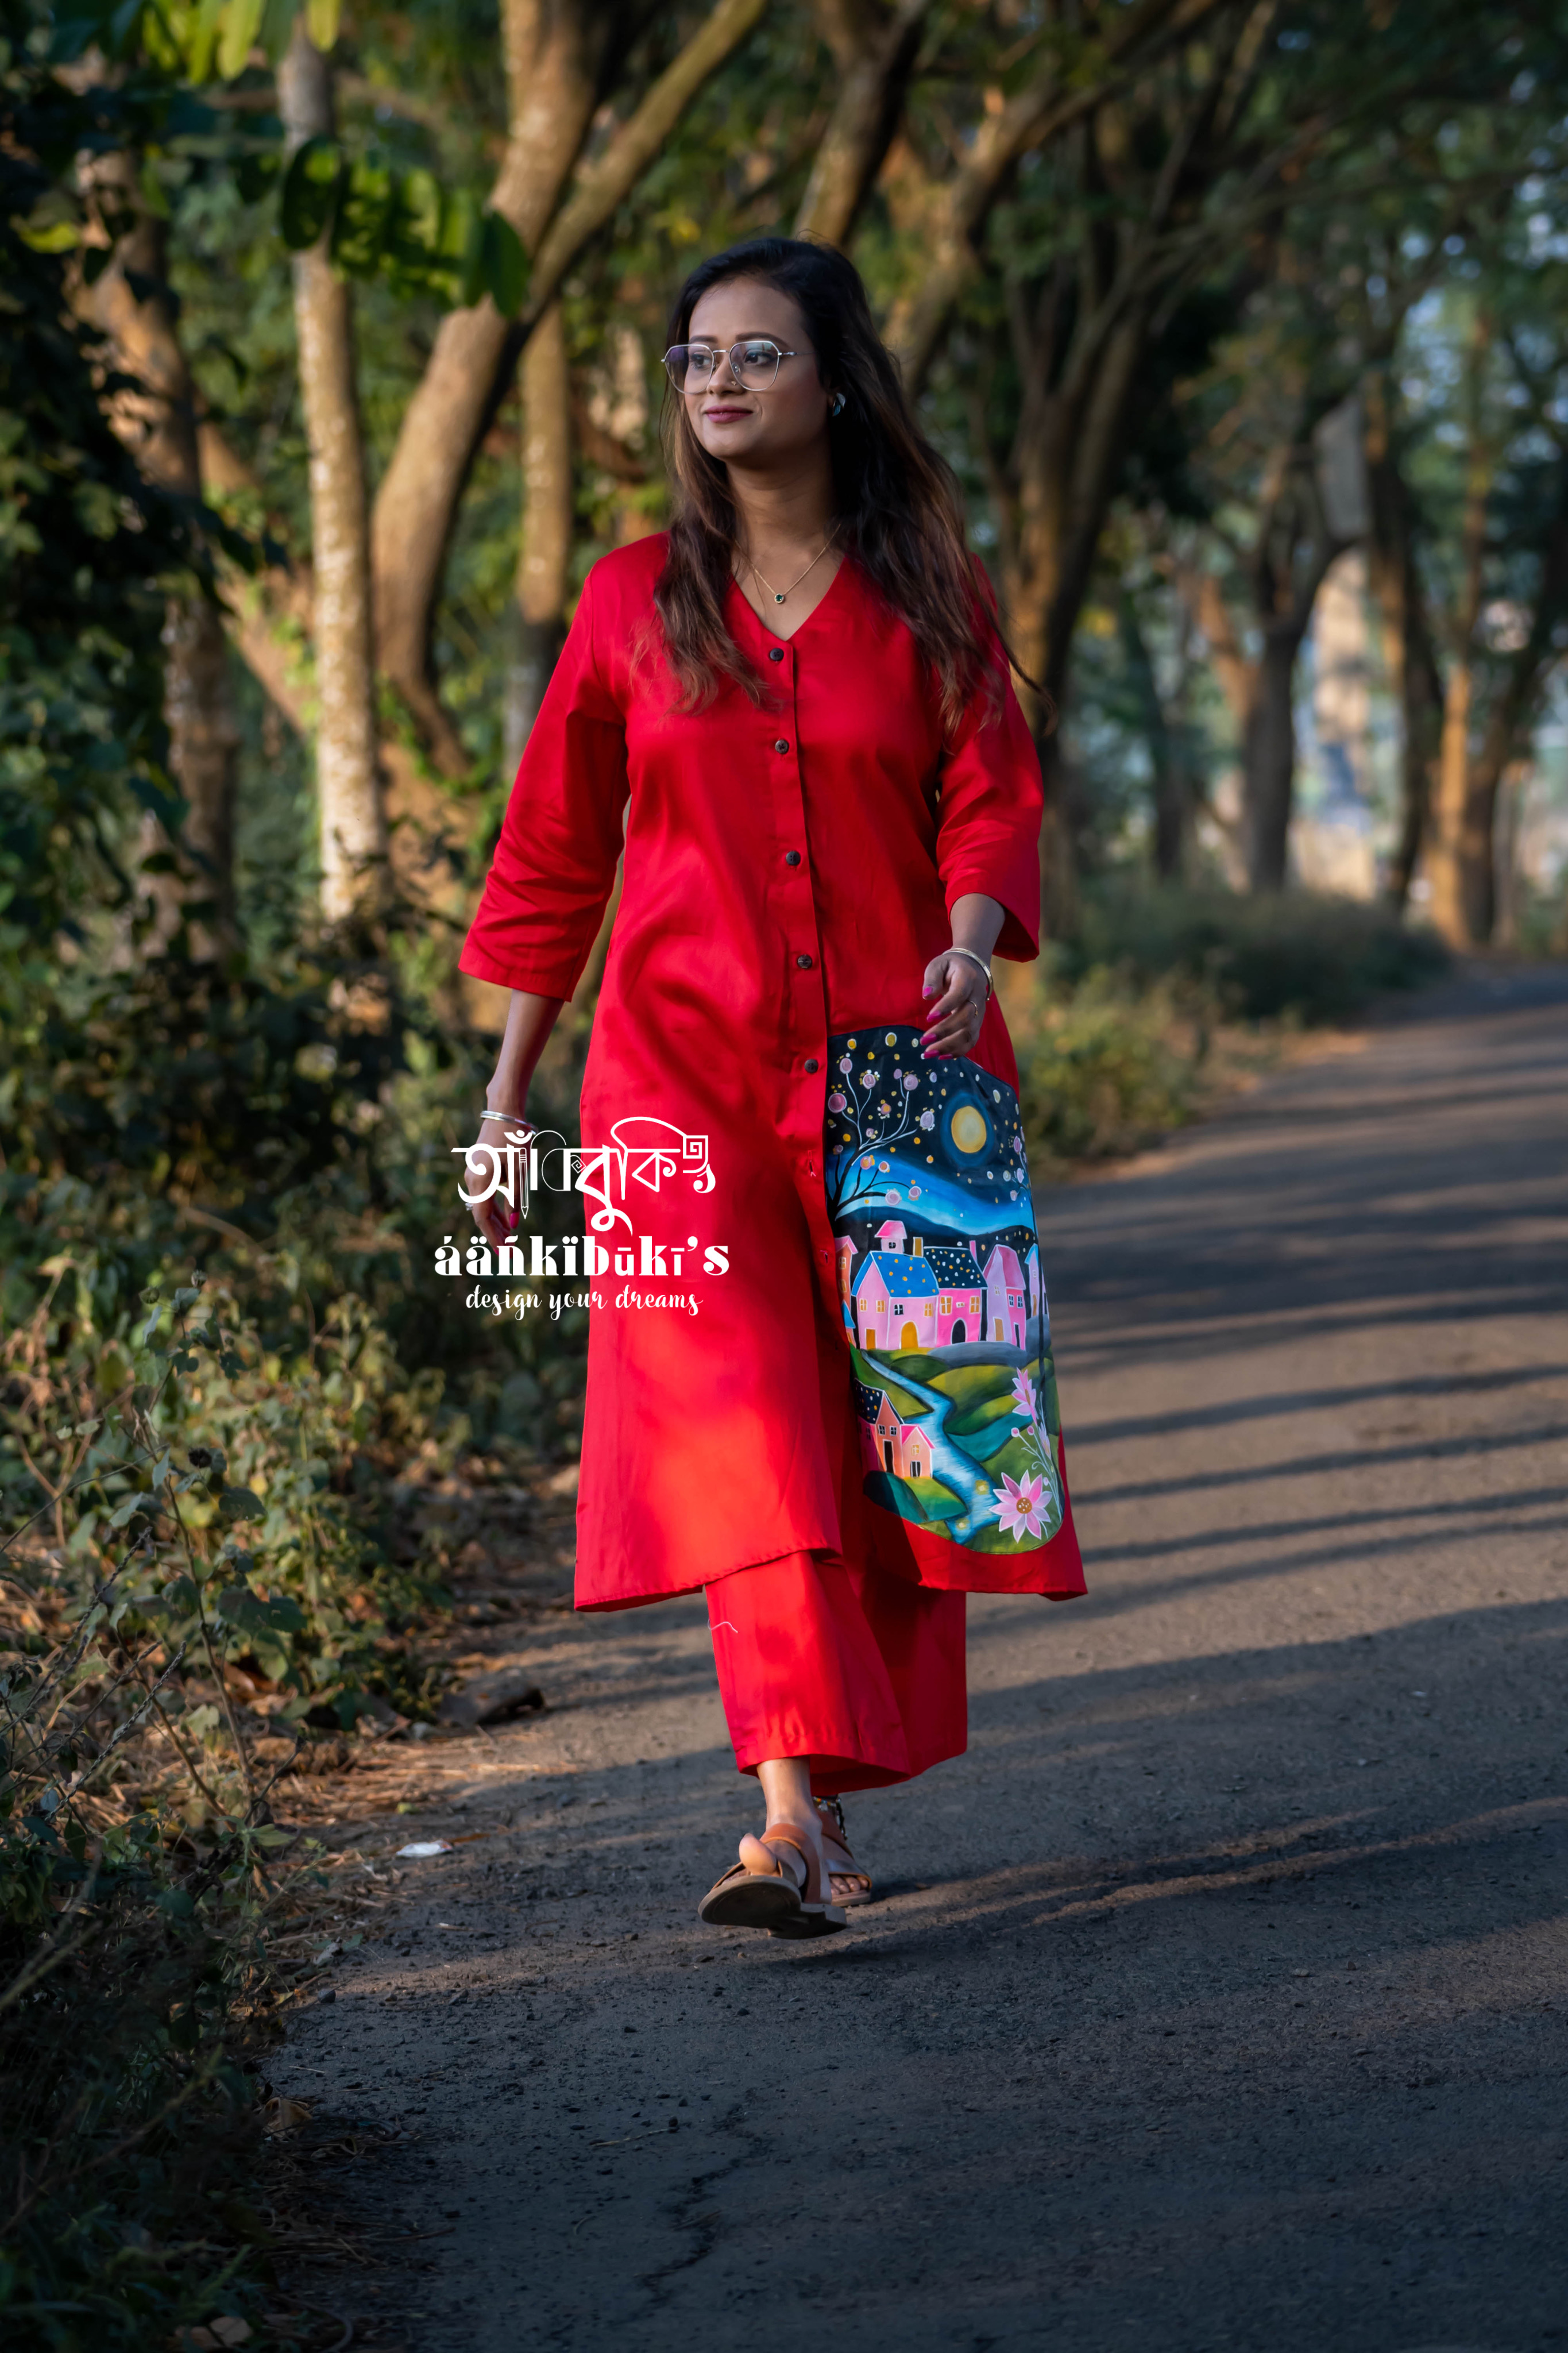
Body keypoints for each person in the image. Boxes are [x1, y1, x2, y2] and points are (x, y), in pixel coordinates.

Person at [459, 236, 1084, 1941]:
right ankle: (786, 1819)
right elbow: (548, 860)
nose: (716, 381)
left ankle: (838, 1766)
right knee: (742, 1443)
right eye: (691, 359)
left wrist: (967, 940)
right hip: (673, 1092)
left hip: (903, 1078)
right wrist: (509, 1105)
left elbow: (988, 794)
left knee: (903, 1437)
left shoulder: (931, 595)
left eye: (752, 353)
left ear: (833, 380)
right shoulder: (623, 605)